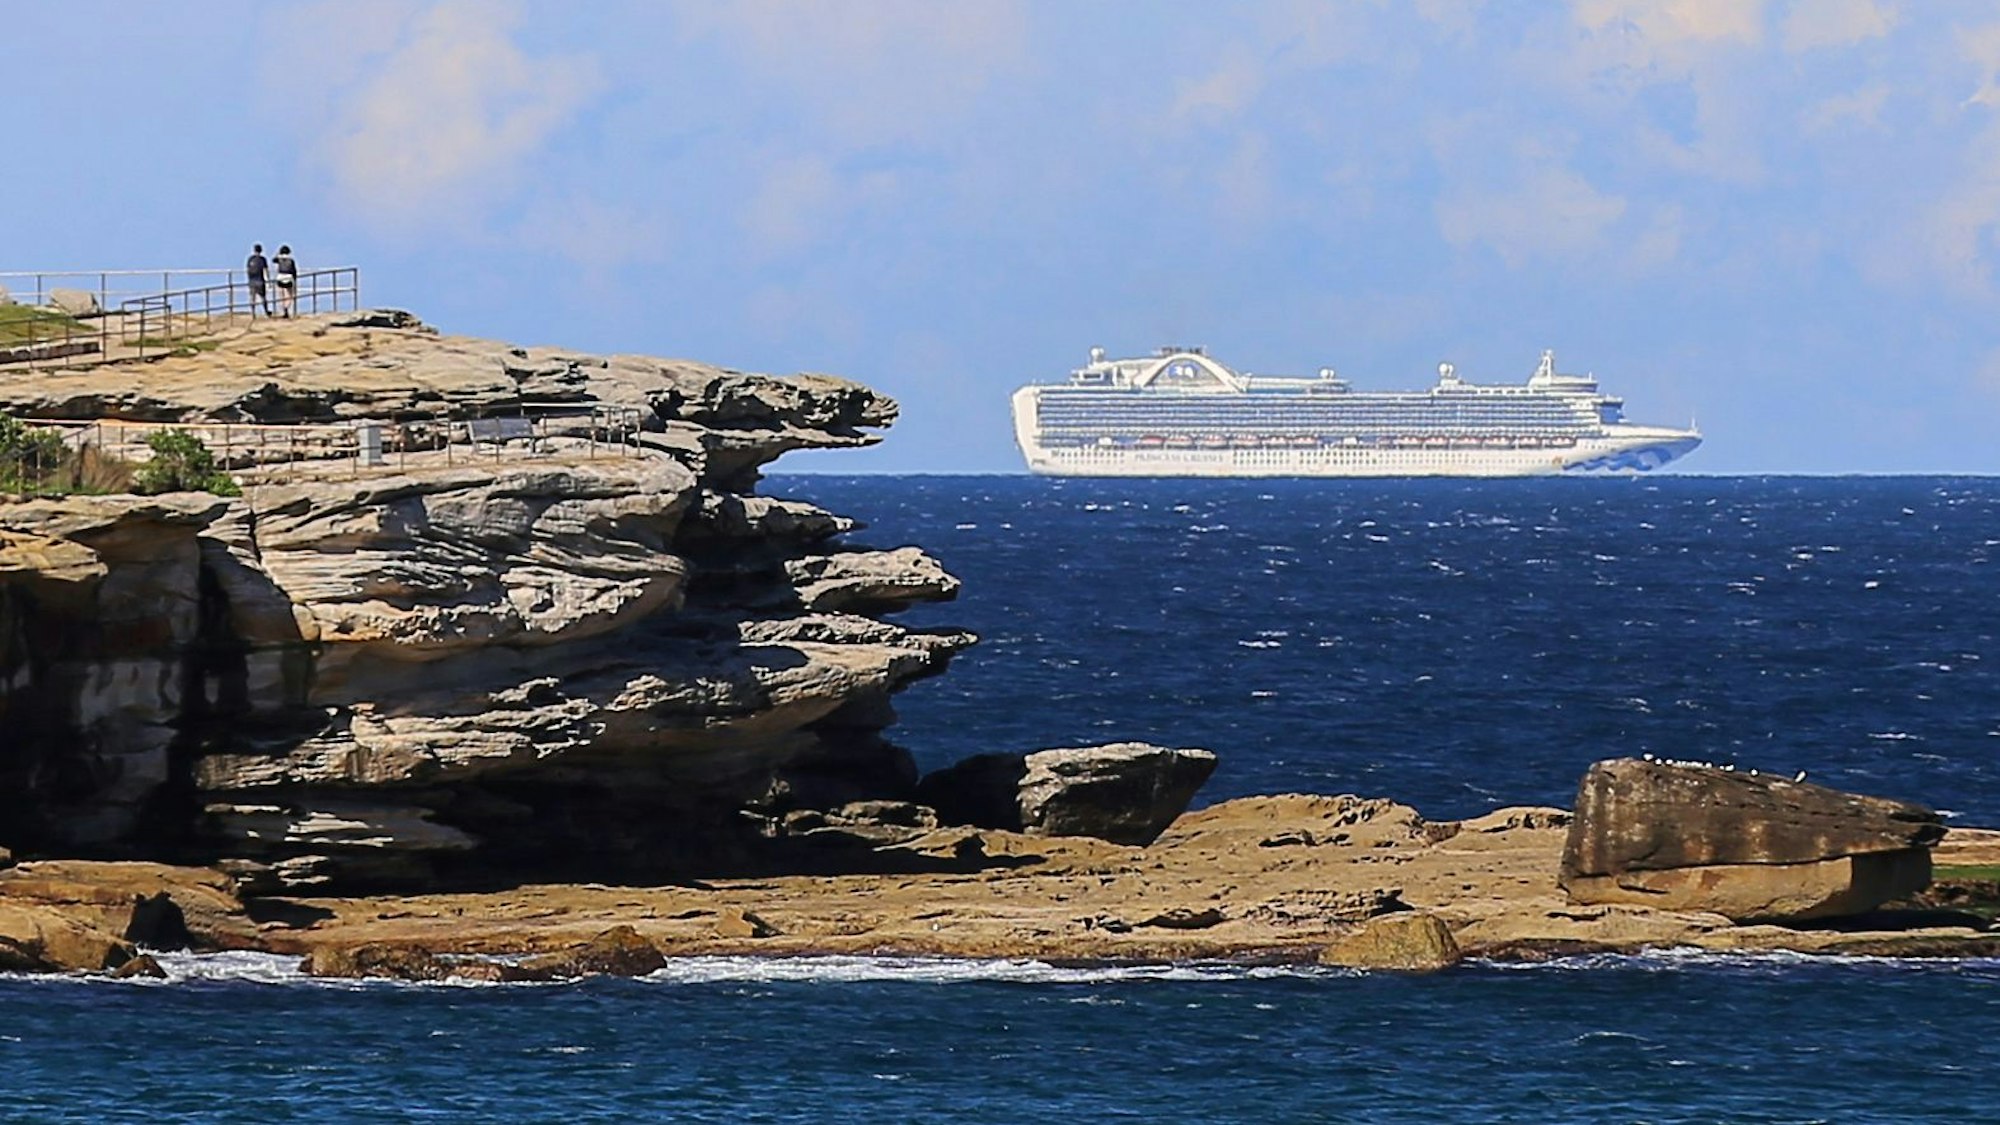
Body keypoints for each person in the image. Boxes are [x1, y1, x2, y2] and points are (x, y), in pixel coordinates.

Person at [245, 244, 272, 316]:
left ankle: (253, 312)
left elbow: (248, 270)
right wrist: (268, 281)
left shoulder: (250, 259)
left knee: (252, 297)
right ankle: (266, 311)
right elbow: (266, 271)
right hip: (260, 280)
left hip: (252, 280)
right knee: (263, 297)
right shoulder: (263, 259)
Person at [273, 245, 298, 318]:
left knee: (281, 296)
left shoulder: (279, 259)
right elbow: (294, 271)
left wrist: (278, 254)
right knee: (289, 295)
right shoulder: (291, 260)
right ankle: (286, 308)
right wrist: (295, 279)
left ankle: (284, 309)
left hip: (280, 277)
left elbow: (273, 260)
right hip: (288, 278)